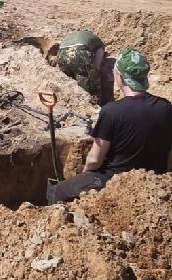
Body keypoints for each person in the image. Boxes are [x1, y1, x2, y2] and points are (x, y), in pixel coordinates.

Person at [48, 49, 172, 204]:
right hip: (153, 179)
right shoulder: (166, 107)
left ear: (120, 76)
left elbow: (94, 160)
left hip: (115, 180)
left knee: (59, 190)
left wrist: (85, 176)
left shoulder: (112, 111)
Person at [57, 30, 105, 102]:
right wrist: (94, 74)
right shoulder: (98, 42)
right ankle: (94, 105)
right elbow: (97, 64)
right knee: (89, 86)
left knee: (68, 80)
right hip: (79, 52)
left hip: (61, 53)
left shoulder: (71, 35)